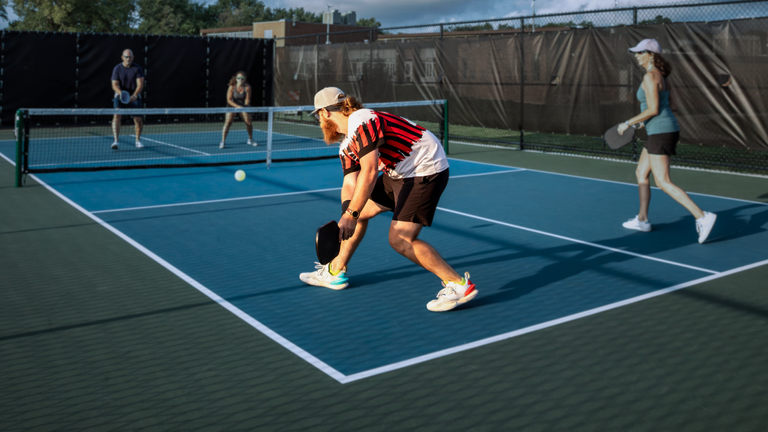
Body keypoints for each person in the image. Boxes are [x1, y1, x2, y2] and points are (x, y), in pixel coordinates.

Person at [299, 87, 477, 312]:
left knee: (400, 239)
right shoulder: (346, 145)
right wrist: (349, 213)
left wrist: (351, 215)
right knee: (358, 210)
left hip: (425, 169)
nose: (319, 122)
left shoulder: (361, 121)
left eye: (318, 117)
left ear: (324, 113)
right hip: (400, 172)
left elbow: (371, 171)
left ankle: (458, 285)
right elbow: (350, 184)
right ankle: (334, 272)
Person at [619, 39, 717, 244]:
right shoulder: (662, 76)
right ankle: (643, 220)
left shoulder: (649, 77)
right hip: (661, 129)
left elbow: (653, 109)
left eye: (640, 52)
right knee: (641, 173)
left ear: (651, 55)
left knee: (663, 181)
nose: (636, 56)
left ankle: (702, 217)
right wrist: (646, 122)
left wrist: (628, 122)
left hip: (662, 132)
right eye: (635, 52)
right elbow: (671, 105)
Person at [111, 49, 145, 150]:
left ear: (133, 58)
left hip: (134, 96)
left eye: (130, 57)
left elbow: (140, 84)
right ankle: (116, 141)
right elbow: (114, 85)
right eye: (126, 57)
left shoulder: (137, 68)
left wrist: (134, 95)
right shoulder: (117, 68)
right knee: (117, 114)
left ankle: (138, 141)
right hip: (120, 95)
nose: (128, 59)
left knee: (138, 119)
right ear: (122, 57)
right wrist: (122, 94)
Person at [220, 71, 256, 149]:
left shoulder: (247, 87)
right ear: (236, 79)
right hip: (232, 106)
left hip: (243, 106)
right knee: (228, 123)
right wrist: (236, 107)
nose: (240, 79)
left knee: (249, 123)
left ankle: (250, 139)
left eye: (242, 78)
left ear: (244, 79)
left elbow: (247, 100)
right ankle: (222, 142)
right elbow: (229, 100)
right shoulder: (232, 87)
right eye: (238, 78)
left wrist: (244, 107)